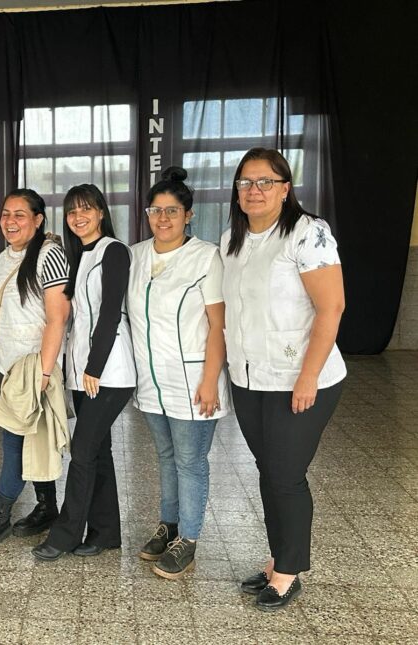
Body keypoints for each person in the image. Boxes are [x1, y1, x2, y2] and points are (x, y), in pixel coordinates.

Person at [222, 148, 346, 611]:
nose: (254, 191)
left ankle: (288, 572)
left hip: (300, 377)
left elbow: (331, 308)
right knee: (268, 470)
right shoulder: (232, 239)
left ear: (285, 188)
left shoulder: (308, 233)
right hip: (249, 378)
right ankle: (277, 559)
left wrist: (308, 376)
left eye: (265, 182)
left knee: (286, 475)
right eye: (245, 183)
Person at [126, 167, 231, 579]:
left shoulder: (206, 257)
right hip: (151, 383)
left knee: (190, 461)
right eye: (156, 210)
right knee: (167, 457)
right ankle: (168, 525)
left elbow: (218, 325)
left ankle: (188, 538)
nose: (163, 218)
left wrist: (210, 380)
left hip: (194, 382)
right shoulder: (135, 255)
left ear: (189, 215)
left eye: (172, 211)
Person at [32, 184, 135, 561]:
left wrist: (95, 367)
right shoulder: (76, 256)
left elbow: (110, 313)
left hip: (109, 371)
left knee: (83, 452)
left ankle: (65, 534)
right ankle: (106, 532)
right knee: (98, 451)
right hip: (81, 370)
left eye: (86, 209)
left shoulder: (114, 251)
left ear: (101, 212)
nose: (79, 217)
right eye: (72, 211)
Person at [0, 188, 71, 550]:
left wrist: (43, 372)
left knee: (13, 442)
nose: (10, 221)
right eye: (5, 214)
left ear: (38, 220)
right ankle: (46, 506)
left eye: (20, 215)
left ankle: (0, 514)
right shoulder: (4, 256)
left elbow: (58, 317)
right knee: (32, 437)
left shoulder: (49, 254)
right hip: (9, 366)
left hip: (33, 367)